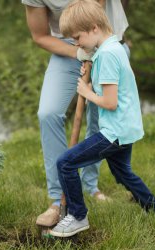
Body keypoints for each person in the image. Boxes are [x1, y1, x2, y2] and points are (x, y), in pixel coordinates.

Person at [50, 0, 155, 238]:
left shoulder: (107, 56)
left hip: (113, 132)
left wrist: (86, 92)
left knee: (65, 163)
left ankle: (78, 217)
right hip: (126, 128)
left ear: (93, 28)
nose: (77, 44)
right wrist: (91, 79)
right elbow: (110, 89)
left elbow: (110, 102)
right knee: (123, 173)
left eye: (78, 38)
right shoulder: (112, 47)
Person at [21, 0, 130, 228]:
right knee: (48, 113)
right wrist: (80, 53)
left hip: (108, 43)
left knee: (99, 121)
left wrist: (93, 52)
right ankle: (57, 200)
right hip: (69, 46)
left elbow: (94, 9)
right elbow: (40, 35)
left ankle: (90, 186)